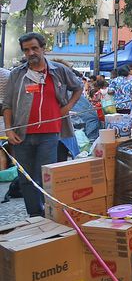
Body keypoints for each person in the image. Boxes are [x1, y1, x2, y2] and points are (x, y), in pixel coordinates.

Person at [3, 32, 83, 217]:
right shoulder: (17, 74)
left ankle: (49, 215)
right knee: (26, 178)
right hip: (21, 135)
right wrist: (8, 129)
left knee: (46, 178)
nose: (30, 53)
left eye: (34, 48)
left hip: (50, 133)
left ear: (43, 48)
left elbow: (78, 87)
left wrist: (68, 107)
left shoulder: (58, 71)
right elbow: (7, 105)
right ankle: (35, 216)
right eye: (26, 50)